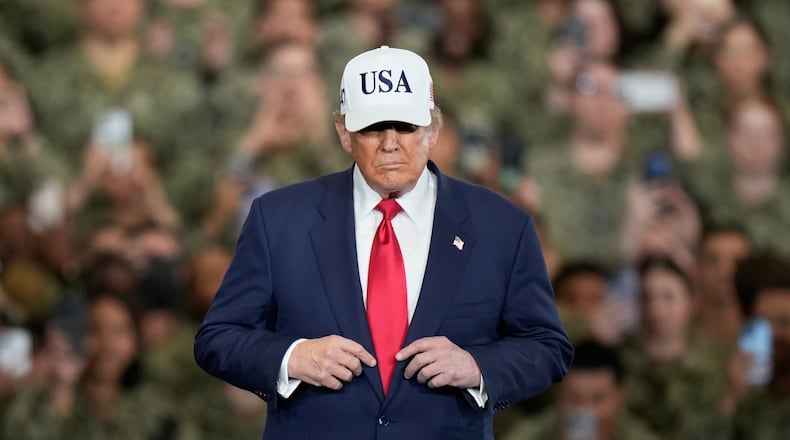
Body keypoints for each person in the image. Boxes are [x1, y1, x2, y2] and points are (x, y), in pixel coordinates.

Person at [194, 46, 572, 439]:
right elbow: (217, 338)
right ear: (344, 133)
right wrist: (291, 358)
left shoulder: (502, 226)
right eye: (373, 127)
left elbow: (547, 347)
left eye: (406, 126)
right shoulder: (279, 219)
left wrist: (478, 367)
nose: (390, 144)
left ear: (433, 130)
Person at [503, 340, 659, 440]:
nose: (584, 410)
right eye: (573, 399)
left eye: (597, 399)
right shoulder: (531, 434)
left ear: (619, 398)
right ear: (558, 397)